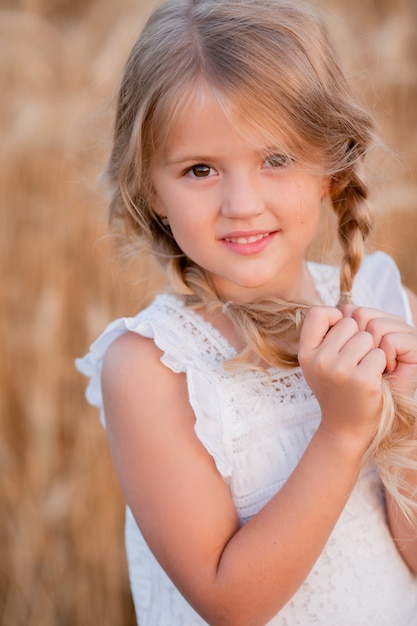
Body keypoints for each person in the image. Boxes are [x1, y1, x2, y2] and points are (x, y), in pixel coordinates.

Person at [76, 0, 417, 623]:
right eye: (199, 169)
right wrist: (343, 432)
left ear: (330, 169)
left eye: (276, 159)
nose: (242, 202)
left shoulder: (386, 311)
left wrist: (405, 420)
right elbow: (230, 604)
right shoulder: (153, 369)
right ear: (151, 188)